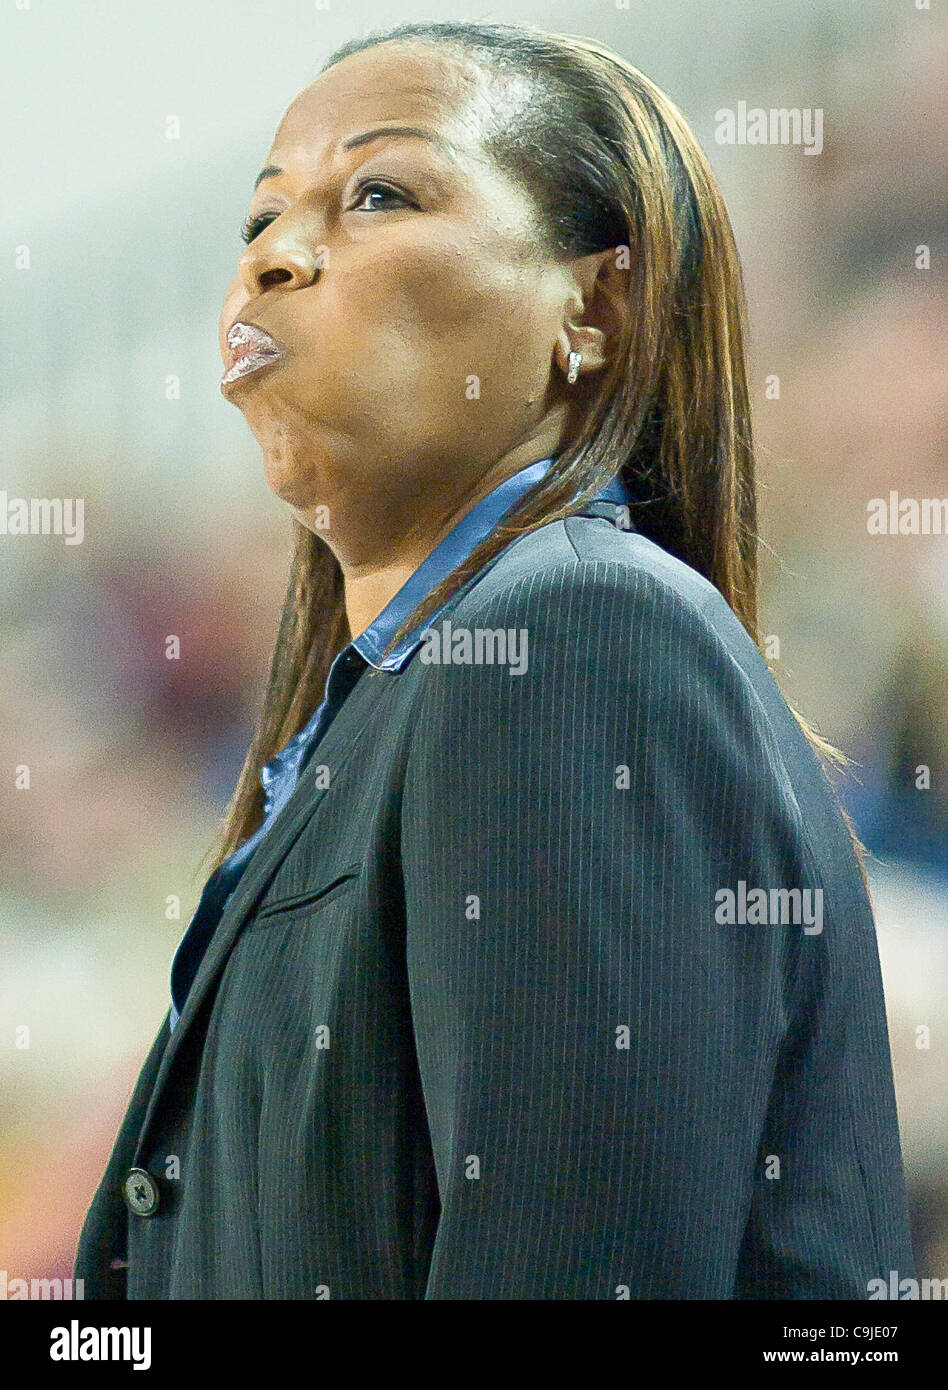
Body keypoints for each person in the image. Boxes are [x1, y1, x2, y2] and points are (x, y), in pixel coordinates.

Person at [75, 20, 915, 1299]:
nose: (276, 257)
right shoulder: (386, 710)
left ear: (597, 304)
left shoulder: (574, 637)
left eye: (378, 193)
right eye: (258, 218)